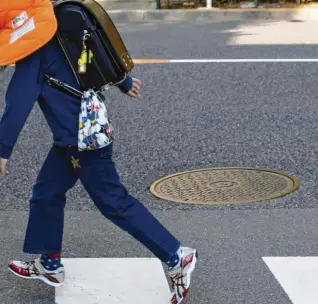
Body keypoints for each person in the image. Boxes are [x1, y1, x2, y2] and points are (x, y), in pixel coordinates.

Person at [0, 8, 197, 304]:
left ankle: (175, 255)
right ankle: (50, 264)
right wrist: (124, 82)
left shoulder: (32, 58)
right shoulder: (59, 34)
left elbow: (16, 107)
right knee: (46, 193)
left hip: (82, 141)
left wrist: (1, 154)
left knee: (114, 202)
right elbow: (92, 57)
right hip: (74, 137)